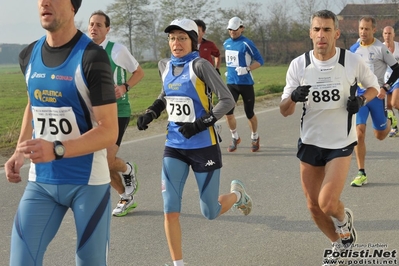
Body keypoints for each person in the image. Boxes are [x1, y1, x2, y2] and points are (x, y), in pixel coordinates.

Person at [4, 0, 117, 265]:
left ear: (73, 7)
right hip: (42, 182)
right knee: (21, 261)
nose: (44, 2)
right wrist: (19, 151)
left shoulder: (91, 56)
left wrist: (57, 149)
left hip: (87, 182)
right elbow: (34, 104)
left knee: (89, 261)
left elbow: (109, 130)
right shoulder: (28, 55)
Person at [136, 18, 252, 266]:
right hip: (175, 147)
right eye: (172, 38)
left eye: (182, 38)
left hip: (203, 146)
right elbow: (165, 95)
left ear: (193, 40)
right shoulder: (164, 65)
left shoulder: (201, 66)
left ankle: (237, 195)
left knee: (209, 211)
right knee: (170, 209)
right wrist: (151, 112)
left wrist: (200, 124)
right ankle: (179, 263)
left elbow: (227, 101)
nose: (176, 43)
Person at [279, 10, 379, 265]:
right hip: (310, 142)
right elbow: (284, 110)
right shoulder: (299, 64)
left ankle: (344, 219)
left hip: (340, 143)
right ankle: (338, 243)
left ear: (335, 33)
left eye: (326, 30)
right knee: (313, 205)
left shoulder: (351, 61)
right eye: (316, 30)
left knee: (327, 202)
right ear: (311, 34)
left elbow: (374, 87)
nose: (321, 35)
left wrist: (360, 100)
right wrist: (293, 98)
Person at [88, 10, 144, 217]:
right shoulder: (82, 51)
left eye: (99, 25)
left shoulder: (117, 50)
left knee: (105, 160)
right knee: (100, 161)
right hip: (94, 113)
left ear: (107, 29)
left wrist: (125, 87)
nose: (94, 28)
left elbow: (139, 72)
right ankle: (125, 196)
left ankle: (128, 169)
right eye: (91, 24)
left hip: (117, 111)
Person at [349, 16, 399, 187]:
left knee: (380, 135)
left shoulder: (381, 49)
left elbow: (397, 69)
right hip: (361, 96)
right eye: (361, 28)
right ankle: (361, 172)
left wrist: (385, 87)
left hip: (377, 96)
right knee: (359, 132)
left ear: (374, 30)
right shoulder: (354, 49)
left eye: (367, 29)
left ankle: (389, 120)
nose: (363, 32)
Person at [223, 16, 264, 152]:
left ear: (241, 28)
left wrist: (247, 69)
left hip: (245, 83)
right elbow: (230, 62)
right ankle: (235, 137)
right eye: (230, 30)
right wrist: (228, 71)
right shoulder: (226, 43)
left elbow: (259, 61)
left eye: (235, 30)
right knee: (228, 112)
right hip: (231, 83)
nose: (232, 32)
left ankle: (254, 136)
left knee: (249, 113)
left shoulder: (247, 43)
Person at [382, 26, 399, 137]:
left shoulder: (398, 46)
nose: (387, 35)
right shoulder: (381, 48)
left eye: (389, 33)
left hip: (397, 78)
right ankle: (395, 127)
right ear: (383, 35)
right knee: (388, 106)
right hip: (385, 79)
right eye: (385, 33)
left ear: (393, 34)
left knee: (394, 103)